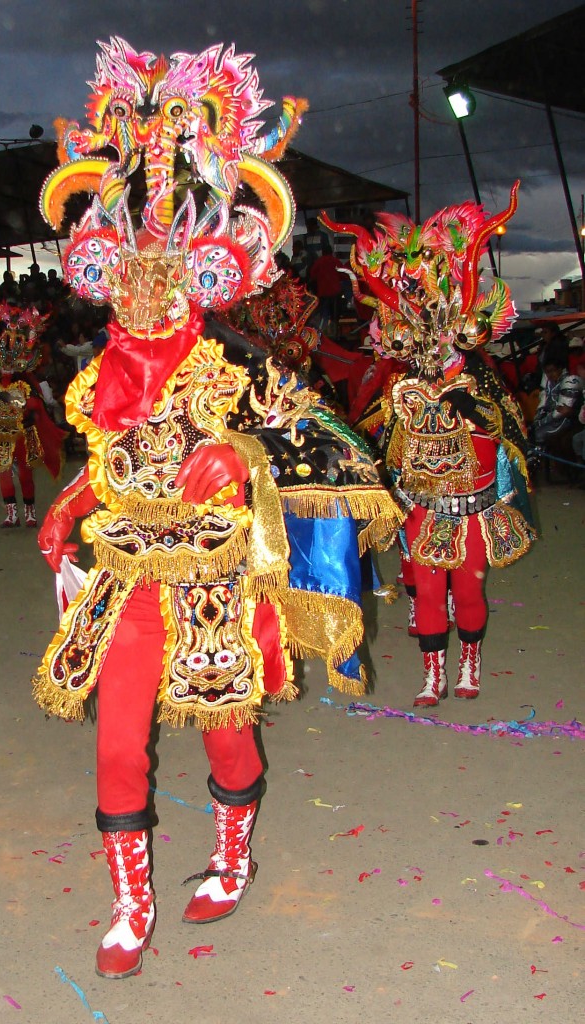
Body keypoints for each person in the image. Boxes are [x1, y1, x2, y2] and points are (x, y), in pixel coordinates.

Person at [34, 37, 400, 981]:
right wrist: (68, 502)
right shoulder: (103, 373)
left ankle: (233, 856)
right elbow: (113, 463)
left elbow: (327, 444)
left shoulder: (238, 369)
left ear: (203, 275)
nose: (146, 288)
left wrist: (233, 450)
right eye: (129, 271)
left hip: (212, 589)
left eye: (165, 271)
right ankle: (130, 902)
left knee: (228, 737)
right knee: (118, 744)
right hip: (123, 586)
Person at [325, 184, 536, 707]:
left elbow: (512, 430)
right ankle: (432, 675)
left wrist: (473, 412)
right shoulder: (404, 388)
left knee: (468, 593)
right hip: (424, 508)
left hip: (474, 509)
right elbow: (383, 442)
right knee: (427, 596)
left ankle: (469, 664)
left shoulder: (481, 382)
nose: (431, 343)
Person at [0, 300, 66, 526]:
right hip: (1, 435)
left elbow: (33, 405)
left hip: (22, 434)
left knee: (25, 474)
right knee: (4, 473)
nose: (6, 365)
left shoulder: (25, 384)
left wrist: (14, 402)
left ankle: (29, 513)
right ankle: (11, 513)